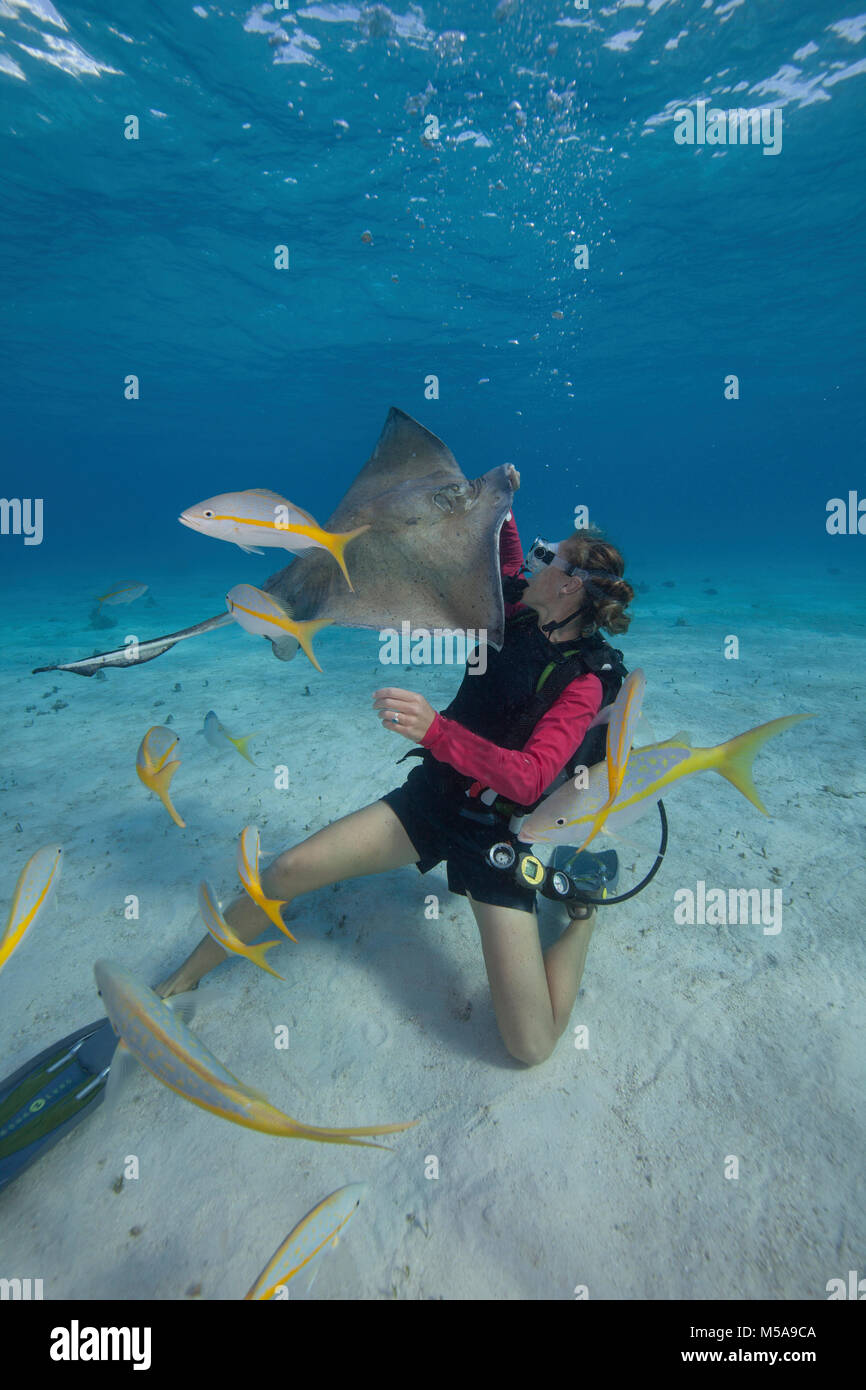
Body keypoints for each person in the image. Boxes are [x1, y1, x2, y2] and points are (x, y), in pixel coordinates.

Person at [157, 466, 635, 1066]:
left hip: (497, 838)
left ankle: (584, 912)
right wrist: (500, 506)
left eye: (553, 558)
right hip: (431, 800)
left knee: (531, 1047)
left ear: (569, 588)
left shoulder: (585, 680)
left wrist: (437, 730)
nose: (539, 561)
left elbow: (532, 778)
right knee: (287, 870)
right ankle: (182, 978)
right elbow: (503, 562)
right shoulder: (511, 605)